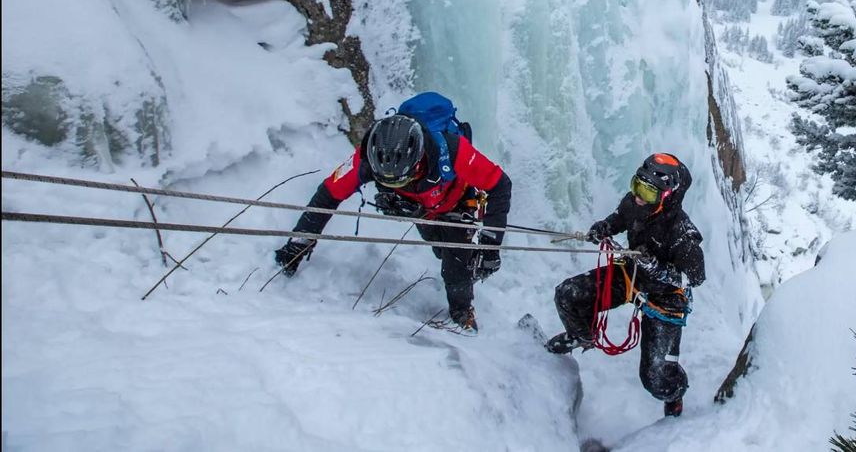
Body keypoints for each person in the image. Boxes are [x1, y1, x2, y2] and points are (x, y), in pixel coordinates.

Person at [274, 113, 511, 331]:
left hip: (457, 204)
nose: (397, 185)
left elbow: (500, 185)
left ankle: (462, 314)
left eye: (402, 180)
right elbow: (328, 194)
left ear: (419, 161)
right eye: (390, 183)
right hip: (421, 210)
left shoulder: (454, 151)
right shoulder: (367, 158)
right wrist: (298, 244)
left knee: (456, 264)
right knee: (441, 250)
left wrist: (490, 247)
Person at [545, 153, 705, 418]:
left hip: (665, 299)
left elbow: (694, 278)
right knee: (568, 295)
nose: (639, 196)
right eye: (637, 186)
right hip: (632, 277)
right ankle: (581, 336)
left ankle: (674, 392)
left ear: (666, 196)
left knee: (654, 380)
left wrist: (657, 268)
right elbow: (621, 217)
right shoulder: (635, 204)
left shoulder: (682, 233)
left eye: (648, 192)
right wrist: (605, 227)